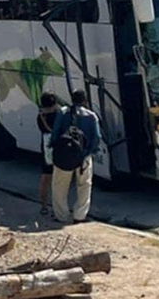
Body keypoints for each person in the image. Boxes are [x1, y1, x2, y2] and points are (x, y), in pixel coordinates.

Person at [50, 89, 101, 224]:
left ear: (72, 99)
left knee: (59, 186)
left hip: (64, 154)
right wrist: (89, 152)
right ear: (85, 101)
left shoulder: (62, 112)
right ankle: (80, 215)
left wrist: (54, 148)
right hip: (83, 156)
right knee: (84, 186)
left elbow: (55, 132)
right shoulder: (91, 116)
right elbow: (97, 138)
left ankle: (62, 215)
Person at [37, 91, 63, 216]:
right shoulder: (58, 115)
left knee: (45, 178)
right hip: (57, 147)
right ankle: (56, 208)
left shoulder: (40, 116)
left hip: (45, 147)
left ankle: (43, 206)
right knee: (57, 180)